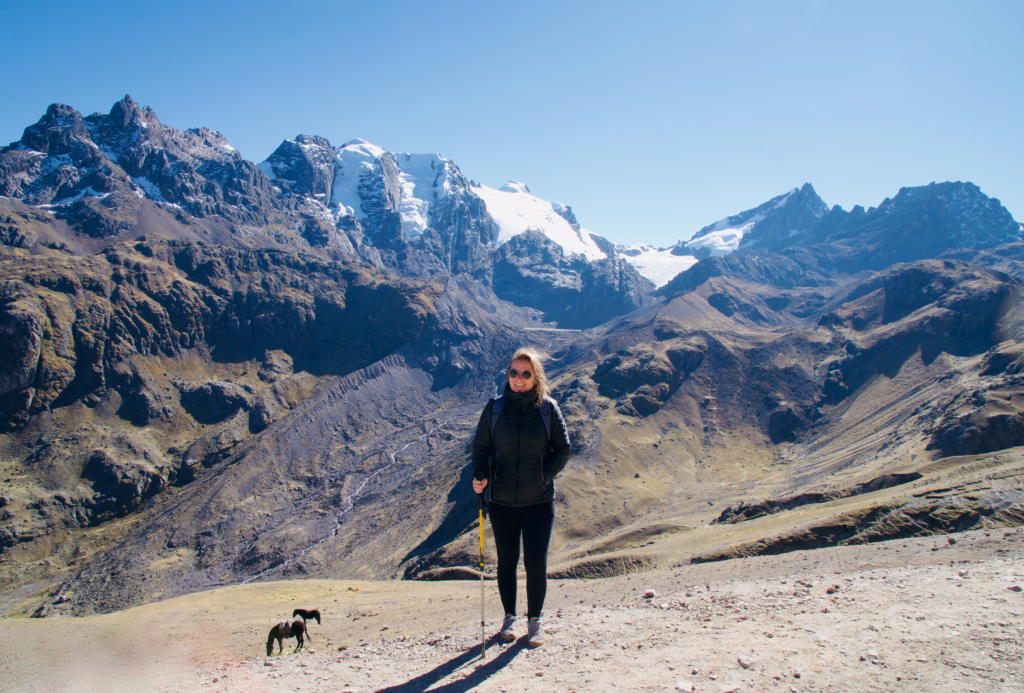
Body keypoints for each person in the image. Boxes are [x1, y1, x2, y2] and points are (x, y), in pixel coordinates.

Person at [471, 348, 572, 647]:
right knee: (506, 561)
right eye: (513, 373)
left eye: (526, 374)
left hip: (539, 502)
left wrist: (543, 476)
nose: (518, 379)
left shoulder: (548, 410)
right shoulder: (494, 408)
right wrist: (480, 476)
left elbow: (563, 449)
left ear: (535, 377)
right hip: (501, 501)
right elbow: (480, 448)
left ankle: (535, 622)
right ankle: (509, 619)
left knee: (536, 564)